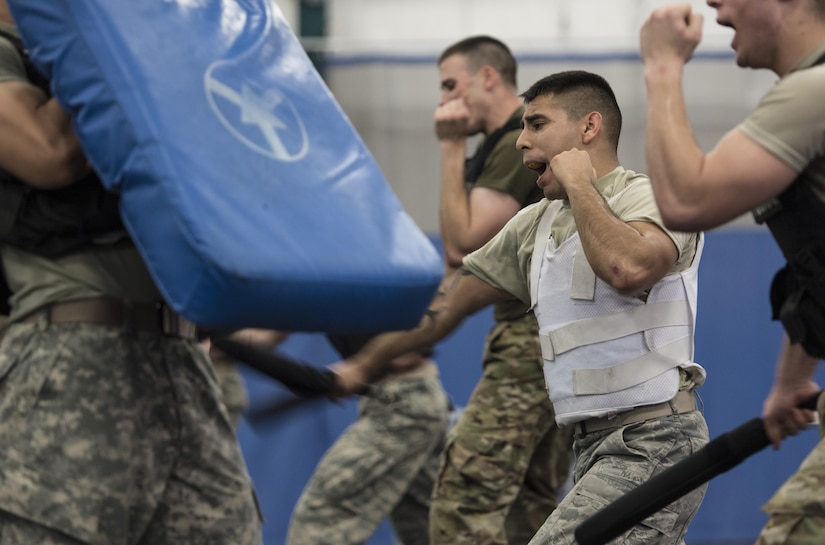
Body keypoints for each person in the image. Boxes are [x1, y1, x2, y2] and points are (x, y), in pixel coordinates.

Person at [336, 70, 710, 545]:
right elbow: (446, 308)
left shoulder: (649, 198)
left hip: (654, 442)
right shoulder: (533, 225)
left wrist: (580, 186)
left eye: (536, 124)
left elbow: (627, 267)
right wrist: (361, 365)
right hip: (592, 446)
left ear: (588, 129)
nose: (521, 142)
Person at [0, 6, 262, 544]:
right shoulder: (29, 49)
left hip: (182, 357)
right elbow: (48, 154)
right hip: (71, 354)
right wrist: (135, 48)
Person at [639, 2, 825, 543]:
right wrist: (793, 378)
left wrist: (662, 67)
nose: (715, 8)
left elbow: (686, 200)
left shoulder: (813, 93)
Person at [431, 35, 575, 545]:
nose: (444, 101)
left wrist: (450, 148)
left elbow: (463, 245)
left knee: (464, 500)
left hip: (532, 345)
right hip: (550, 342)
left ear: (488, 77)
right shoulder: (503, 149)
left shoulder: (520, 146)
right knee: (527, 509)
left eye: (452, 85)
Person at [286, 333, 449, 545]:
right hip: (393, 393)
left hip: (403, 399)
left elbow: (434, 312)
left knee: (325, 516)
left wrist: (366, 363)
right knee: (430, 523)